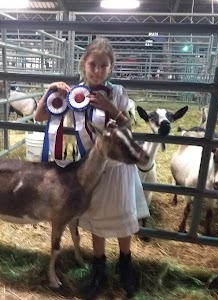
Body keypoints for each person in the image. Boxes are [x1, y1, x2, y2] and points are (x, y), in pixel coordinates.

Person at [34, 38, 149, 299]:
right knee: (96, 216)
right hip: (90, 170)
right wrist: (50, 91)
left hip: (118, 168)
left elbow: (127, 127)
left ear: (111, 68)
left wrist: (111, 109)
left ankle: (125, 264)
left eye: (103, 66)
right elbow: (40, 117)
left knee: (121, 216)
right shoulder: (74, 96)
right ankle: (99, 269)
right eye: (93, 64)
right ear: (83, 64)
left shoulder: (117, 92)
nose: (97, 70)